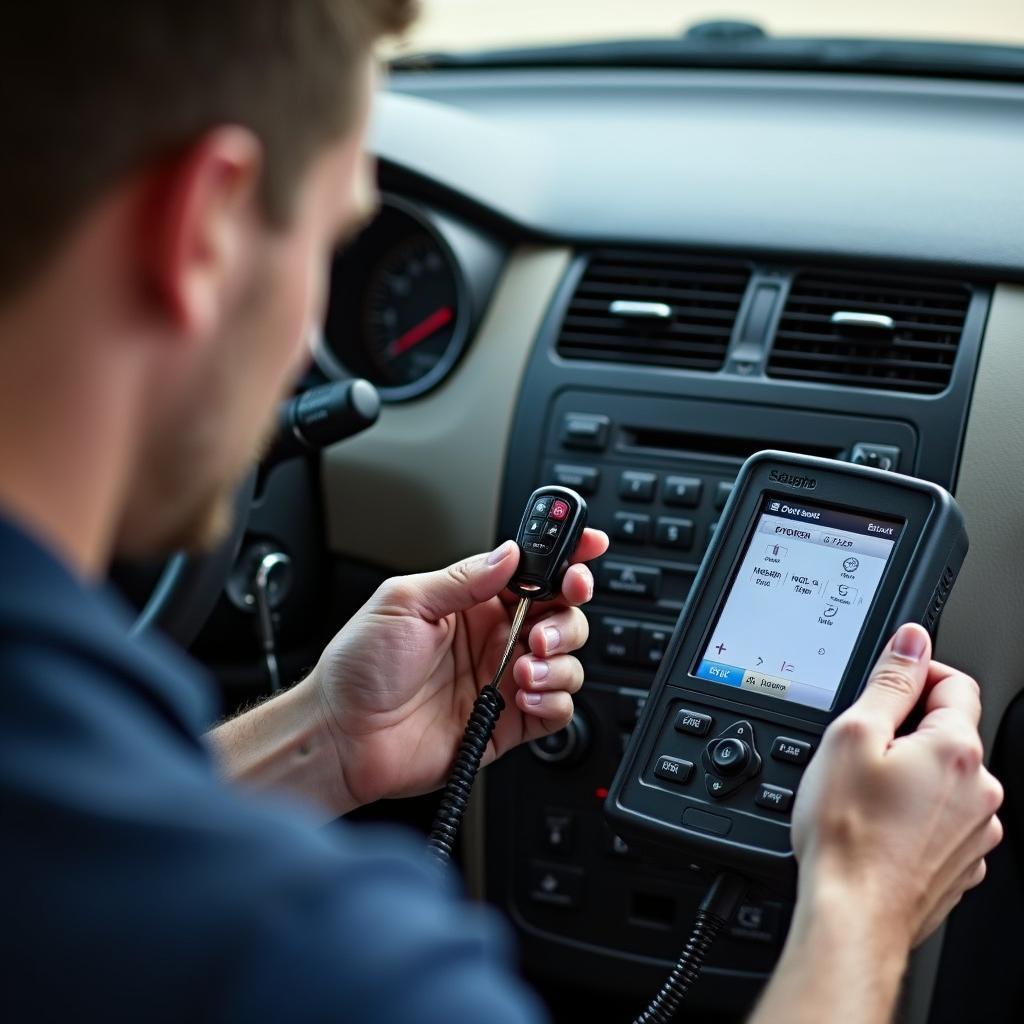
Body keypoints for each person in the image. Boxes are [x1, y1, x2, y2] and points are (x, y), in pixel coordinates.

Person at [0, 4, 1002, 1023]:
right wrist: (862, 896)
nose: (309, 338)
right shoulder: (317, 955)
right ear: (206, 231)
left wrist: (322, 741)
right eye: (331, 246)